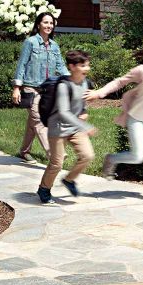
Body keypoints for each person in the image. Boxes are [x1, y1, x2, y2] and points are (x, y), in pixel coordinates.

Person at [85, 41, 143, 179]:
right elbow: (119, 82)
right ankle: (111, 159)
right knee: (138, 157)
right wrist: (99, 93)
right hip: (137, 118)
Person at [36, 50, 99, 204]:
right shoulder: (64, 86)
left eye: (87, 65)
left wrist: (84, 113)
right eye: (83, 66)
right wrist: (84, 125)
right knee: (57, 163)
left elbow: (81, 104)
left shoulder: (85, 83)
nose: (87, 69)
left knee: (87, 155)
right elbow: (64, 112)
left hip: (75, 127)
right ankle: (44, 189)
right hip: (58, 127)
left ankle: (69, 180)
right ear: (72, 66)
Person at [11, 12, 68, 163]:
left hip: (46, 90)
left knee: (33, 122)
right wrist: (17, 87)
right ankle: (54, 153)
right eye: (46, 22)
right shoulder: (30, 42)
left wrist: (73, 81)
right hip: (30, 88)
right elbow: (22, 64)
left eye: (51, 23)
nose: (49, 25)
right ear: (38, 25)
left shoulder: (54, 46)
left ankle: (24, 152)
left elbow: (61, 66)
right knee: (39, 121)